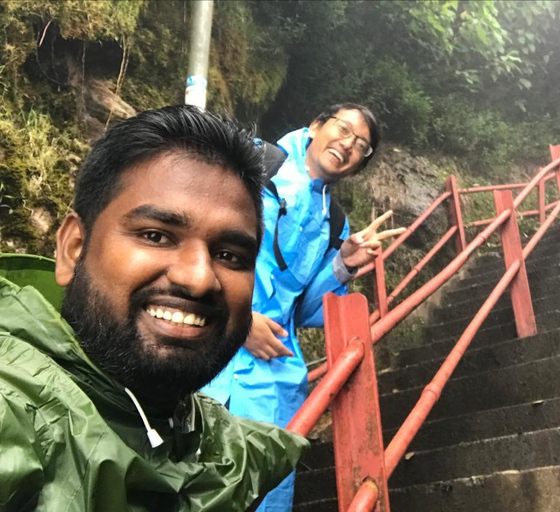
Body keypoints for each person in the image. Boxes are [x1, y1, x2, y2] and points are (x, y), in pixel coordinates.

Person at [0, 106, 308, 512]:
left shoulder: (226, 454)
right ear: (73, 248)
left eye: (230, 255)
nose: (199, 278)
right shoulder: (13, 417)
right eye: (156, 235)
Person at [202, 103, 403, 511]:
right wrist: (236, 321)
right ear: (315, 127)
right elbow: (194, 240)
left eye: (361, 145)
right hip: (208, 353)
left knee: (266, 494)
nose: (348, 144)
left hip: (275, 379)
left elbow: (307, 311)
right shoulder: (252, 162)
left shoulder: (334, 222)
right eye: (343, 129)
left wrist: (344, 264)